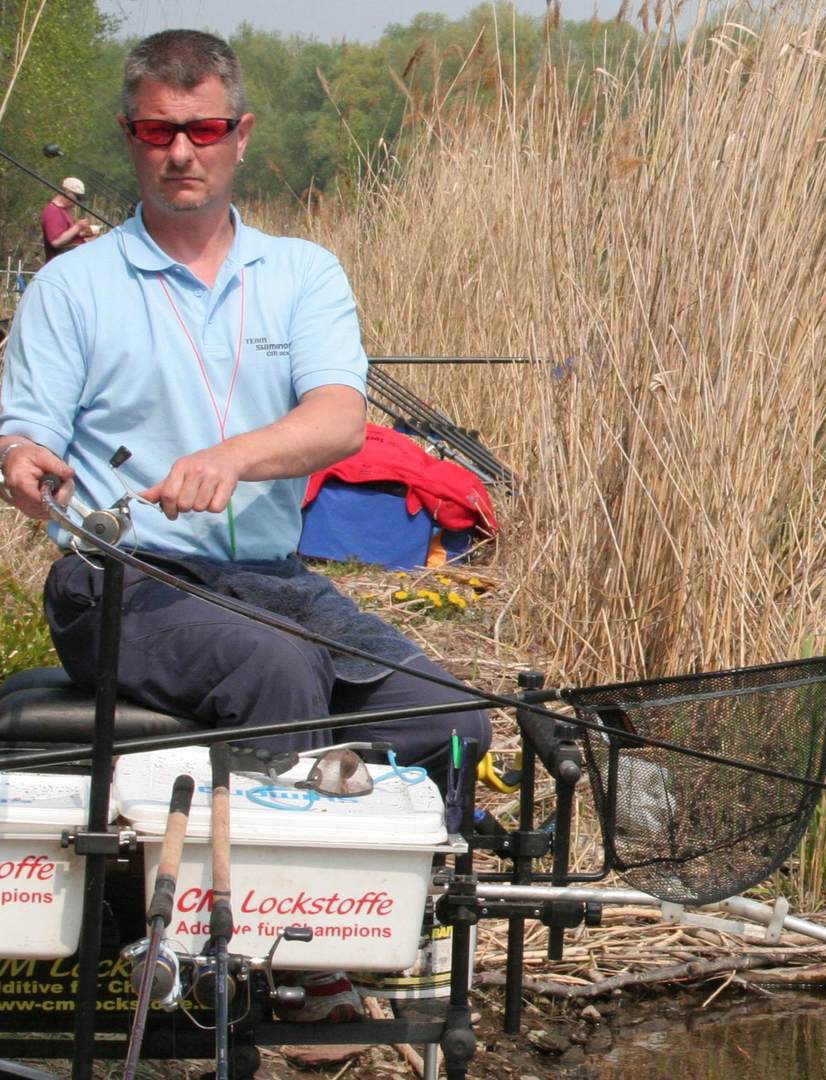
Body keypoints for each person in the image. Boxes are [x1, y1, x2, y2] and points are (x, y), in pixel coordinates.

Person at [0, 33, 491, 1021]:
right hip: (122, 579)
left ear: (240, 135)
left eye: (204, 128)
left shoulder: (303, 274)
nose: (183, 150)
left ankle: (394, 919)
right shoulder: (70, 288)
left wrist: (232, 458)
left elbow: (340, 418)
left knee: (449, 716)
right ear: (131, 136)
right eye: (158, 130)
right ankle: (281, 964)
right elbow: (24, 440)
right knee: (280, 671)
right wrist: (23, 465)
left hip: (274, 575)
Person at [40, 176, 94, 262]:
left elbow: (66, 237)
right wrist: (77, 227)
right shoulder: (53, 211)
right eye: (78, 198)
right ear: (69, 193)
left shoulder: (64, 211)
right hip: (60, 266)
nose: (78, 202)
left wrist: (81, 234)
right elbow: (56, 241)